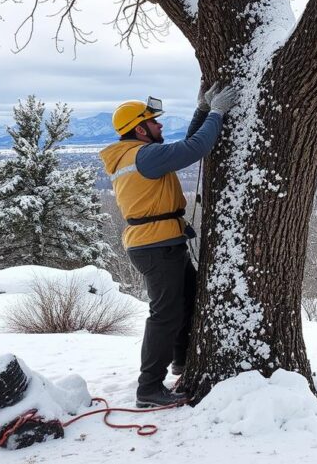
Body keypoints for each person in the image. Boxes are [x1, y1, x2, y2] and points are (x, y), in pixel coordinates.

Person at [99, 83, 238, 407]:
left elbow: (186, 145)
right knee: (164, 315)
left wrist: (203, 110)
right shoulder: (144, 155)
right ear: (140, 128)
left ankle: (181, 361)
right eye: (154, 121)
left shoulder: (135, 155)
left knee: (187, 301)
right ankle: (149, 388)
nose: (160, 125)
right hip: (156, 245)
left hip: (158, 242)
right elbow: (193, 149)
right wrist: (216, 112)